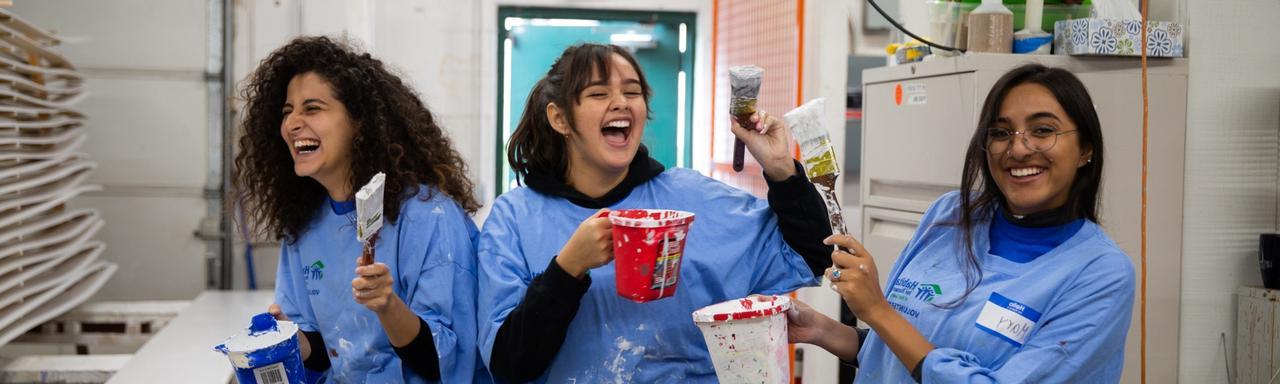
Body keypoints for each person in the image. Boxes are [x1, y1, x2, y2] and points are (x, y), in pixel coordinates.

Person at [476, 43, 835, 383]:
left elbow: (812, 254)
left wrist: (781, 170)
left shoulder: (693, 197)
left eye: (632, 93)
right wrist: (567, 269)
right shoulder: (515, 219)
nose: (620, 103)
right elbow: (509, 366)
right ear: (560, 118)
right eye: (599, 94)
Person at [787, 63, 1135, 383]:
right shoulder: (950, 215)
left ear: (1086, 148)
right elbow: (900, 354)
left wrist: (878, 310)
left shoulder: (1101, 275)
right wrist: (822, 330)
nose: (1018, 149)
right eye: (1001, 133)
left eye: (1043, 130)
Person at [233, 36, 488, 383]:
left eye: (312, 108)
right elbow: (328, 353)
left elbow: (442, 361)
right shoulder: (303, 226)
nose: (292, 123)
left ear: (360, 123)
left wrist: (387, 305)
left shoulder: (430, 217)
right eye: (287, 111)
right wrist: (293, 340)